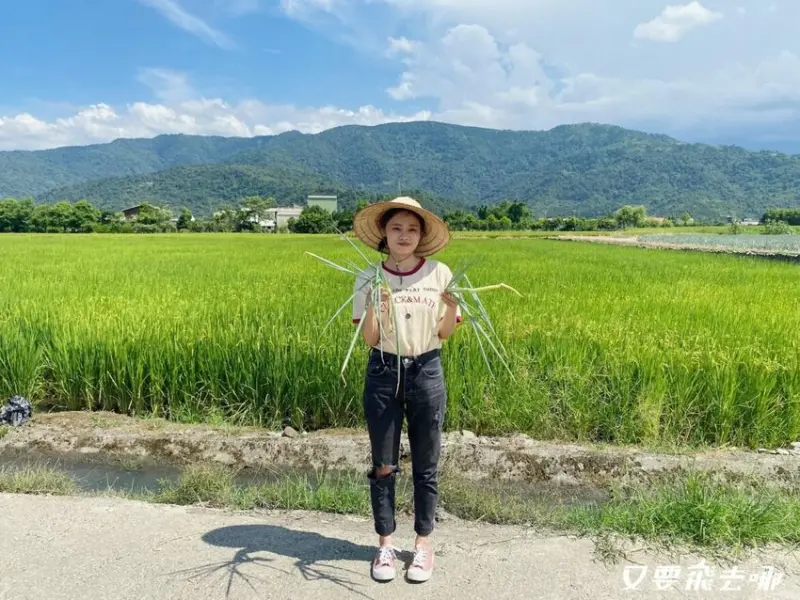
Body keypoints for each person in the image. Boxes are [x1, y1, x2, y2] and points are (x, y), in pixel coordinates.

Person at [351, 196, 461, 584]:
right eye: (396, 228)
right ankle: (384, 543)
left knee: (426, 465)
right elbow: (369, 338)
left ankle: (423, 545)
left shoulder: (439, 273)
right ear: (383, 232)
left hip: (426, 370)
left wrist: (449, 308)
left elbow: (445, 332)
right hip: (383, 370)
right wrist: (376, 310)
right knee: (383, 463)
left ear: (422, 236)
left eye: (412, 229)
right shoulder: (369, 277)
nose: (403, 235)